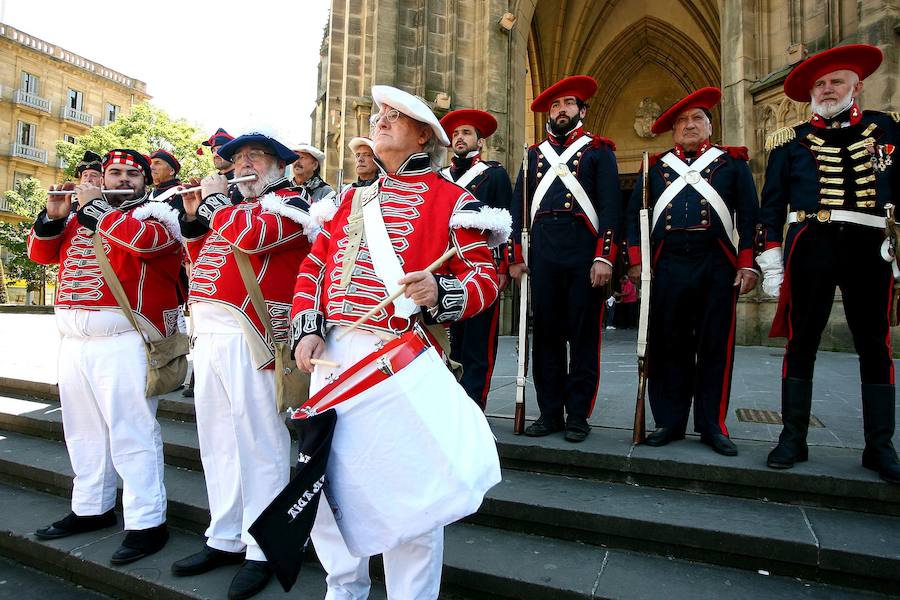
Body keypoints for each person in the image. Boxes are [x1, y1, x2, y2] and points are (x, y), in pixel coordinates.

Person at [292, 85, 508, 600]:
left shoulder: (453, 201)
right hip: (334, 355)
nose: (381, 120)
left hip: (399, 355)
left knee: (412, 496)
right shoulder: (348, 200)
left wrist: (440, 289)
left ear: (422, 137)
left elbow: (486, 280)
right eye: (380, 114)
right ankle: (343, 588)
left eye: (396, 117)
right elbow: (314, 266)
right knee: (326, 486)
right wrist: (307, 324)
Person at [170, 131, 314, 599]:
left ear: (279, 163)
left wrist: (210, 208)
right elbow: (202, 262)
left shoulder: (292, 203)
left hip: (253, 335)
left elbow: (252, 242)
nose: (244, 163)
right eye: (238, 158)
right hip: (208, 334)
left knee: (259, 443)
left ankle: (263, 548)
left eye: (256, 155)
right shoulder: (229, 209)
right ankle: (226, 534)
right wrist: (197, 220)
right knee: (217, 444)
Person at [28, 149, 183, 564]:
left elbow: (147, 247)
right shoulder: (80, 218)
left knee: (132, 433)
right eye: (114, 172)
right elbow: (41, 255)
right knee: (82, 432)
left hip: (124, 340)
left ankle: (147, 521)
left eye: (134, 173)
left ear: (146, 181)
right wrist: (55, 216)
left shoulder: (158, 215)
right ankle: (90, 508)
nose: (123, 179)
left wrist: (95, 209)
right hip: (74, 341)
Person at [757, 44, 900, 483]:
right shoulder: (790, 140)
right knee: (802, 341)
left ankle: (879, 445)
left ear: (857, 84)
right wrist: (772, 263)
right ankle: (792, 437)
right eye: (819, 84)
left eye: (836, 80)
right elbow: (771, 207)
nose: (827, 89)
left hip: (870, 247)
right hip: (811, 246)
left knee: (874, 343)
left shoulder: (886, 130)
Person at [625, 87, 759, 456]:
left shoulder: (731, 163)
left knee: (715, 346)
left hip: (715, 263)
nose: (689, 126)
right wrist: (637, 260)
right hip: (667, 265)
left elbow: (749, 215)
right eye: (682, 121)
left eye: (696, 119)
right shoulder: (655, 168)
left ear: (710, 127)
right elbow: (632, 215)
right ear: (672, 131)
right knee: (669, 346)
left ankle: (712, 424)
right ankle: (669, 421)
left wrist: (747, 262)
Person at [509, 75, 622, 443]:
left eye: (568, 104)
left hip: (582, 255)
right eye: (556, 105)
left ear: (581, 110)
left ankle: (577, 415)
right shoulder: (532, 156)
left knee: (584, 337)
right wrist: (515, 257)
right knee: (546, 338)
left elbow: (610, 208)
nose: (561, 110)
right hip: (543, 256)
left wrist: (604, 258)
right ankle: (549, 412)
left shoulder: (599, 151)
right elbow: (517, 213)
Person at [438, 108, 512, 409]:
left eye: (466, 133)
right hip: (443, 269)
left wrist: (504, 266)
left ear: (479, 142)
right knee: (447, 342)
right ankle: (449, 405)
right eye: (455, 134)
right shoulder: (439, 177)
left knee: (477, 344)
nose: (459, 138)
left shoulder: (493, 175)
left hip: (479, 269)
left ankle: (473, 407)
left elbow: (507, 224)